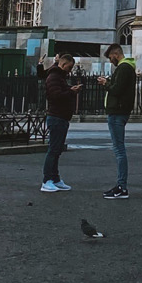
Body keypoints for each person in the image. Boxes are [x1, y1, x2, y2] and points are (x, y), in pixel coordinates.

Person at [40, 52, 81, 193]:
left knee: (57, 150)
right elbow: (55, 96)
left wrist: (70, 90)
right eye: (69, 68)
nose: (70, 71)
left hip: (61, 117)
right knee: (53, 150)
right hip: (56, 116)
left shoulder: (59, 77)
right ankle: (47, 180)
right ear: (62, 64)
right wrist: (71, 92)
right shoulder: (54, 77)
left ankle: (55, 179)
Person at [99, 43, 136, 199]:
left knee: (119, 150)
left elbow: (116, 90)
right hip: (119, 111)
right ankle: (121, 186)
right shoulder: (126, 68)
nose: (110, 61)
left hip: (117, 112)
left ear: (115, 54)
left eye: (110, 58)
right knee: (119, 149)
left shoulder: (124, 68)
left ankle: (122, 186)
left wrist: (105, 83)